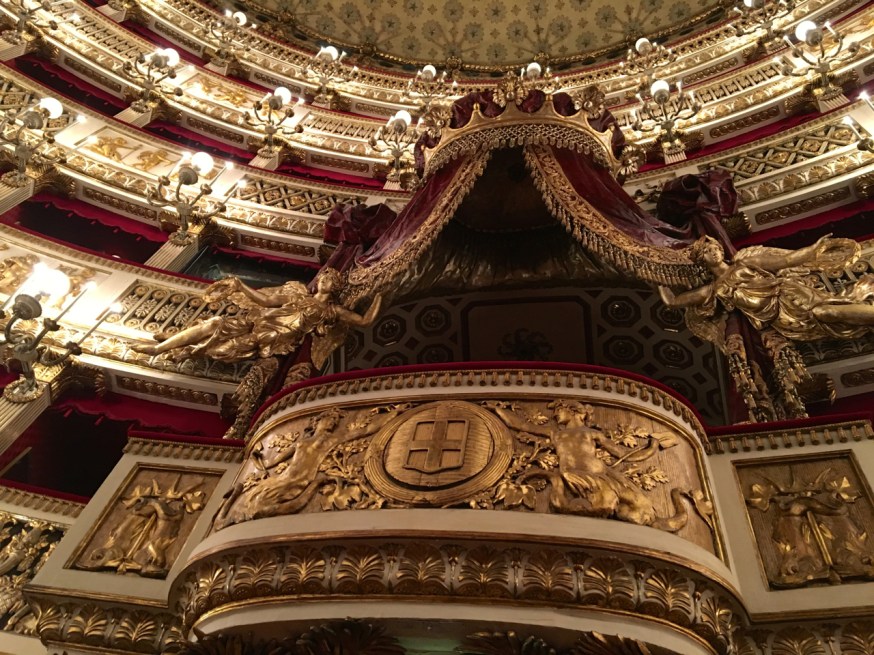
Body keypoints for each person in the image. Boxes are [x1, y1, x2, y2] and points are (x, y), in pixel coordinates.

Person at [133, 269, 381, 365]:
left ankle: (183, 347)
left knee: (221, 351)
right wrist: (241, 286)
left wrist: (381, 292)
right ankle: (160, 348)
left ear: (335, 287)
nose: (325, 282)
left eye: (331, 281)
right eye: (324, 278)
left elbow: (365, 321)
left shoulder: (332, 311)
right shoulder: (298, 295)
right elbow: (265, 301)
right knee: (214, 323)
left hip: (271, 340)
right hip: (257, 324)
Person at [659, 235, 874, 344]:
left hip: (789, 295)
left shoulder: (745, 262)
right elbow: (673, 302)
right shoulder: (714, 289)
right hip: (781, 319)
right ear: (701, 261)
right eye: (707, 251)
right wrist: (654, 275)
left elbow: (787, 260)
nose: (713, 252)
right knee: (830, 320)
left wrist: (814, 249)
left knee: (827, 311)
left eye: (715, 247)